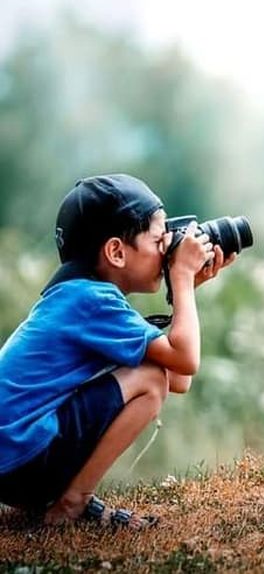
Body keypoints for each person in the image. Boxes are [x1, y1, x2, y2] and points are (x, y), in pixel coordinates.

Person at [0, 174, 235, 528]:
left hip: (14, 460)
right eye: (159, 240)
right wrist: (183, 278)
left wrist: (183, 287)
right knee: (150, 378)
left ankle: (59, 498)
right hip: (20, 459)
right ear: (115, 251)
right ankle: (72, 504)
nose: (167, 250)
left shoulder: (80, 298)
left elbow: (180, 378)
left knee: (155, 375)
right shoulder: (92, 302)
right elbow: (181, 363)